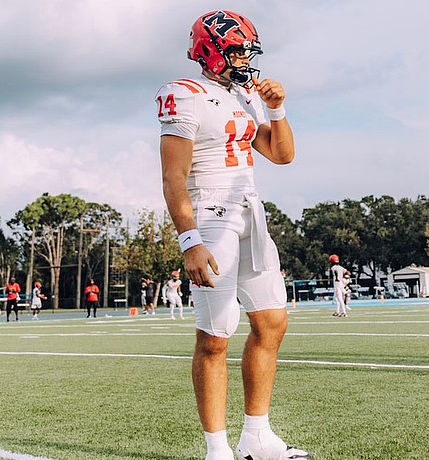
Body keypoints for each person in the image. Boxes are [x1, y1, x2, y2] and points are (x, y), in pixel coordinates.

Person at [157, 10, 311, 460]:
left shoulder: (246, 94)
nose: (245, 57)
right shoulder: (183, 95)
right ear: (212, 50)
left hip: (250, 211)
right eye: (237, 48)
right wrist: (190, 239)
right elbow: (173, 177)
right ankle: (217, 449)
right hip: (209, 212)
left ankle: (257, 437)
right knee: (216, 335)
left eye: (248, 49)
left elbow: (281, 155)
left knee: (271, 322)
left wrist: (278, 108)